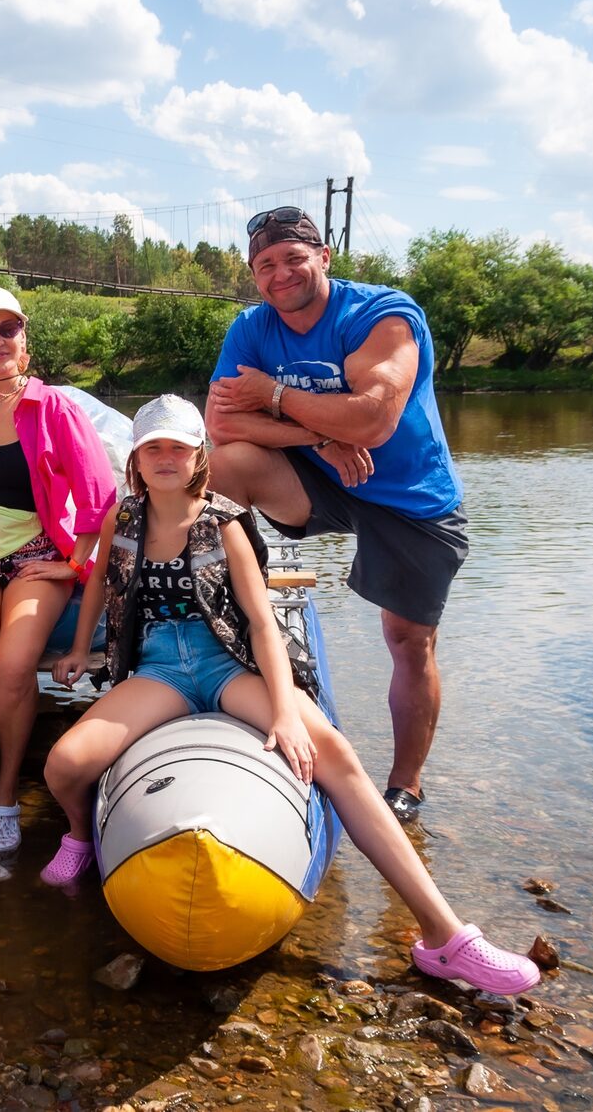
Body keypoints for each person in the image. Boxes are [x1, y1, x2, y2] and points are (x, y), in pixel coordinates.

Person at [44, 396, 538, 996]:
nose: (166, 457)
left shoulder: (223, 521)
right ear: (137, 461)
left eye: (178, 446)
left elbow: (258, 621)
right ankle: (78, 835)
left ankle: (446, 938)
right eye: (154, 448)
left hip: (226, 660)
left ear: (199, 454)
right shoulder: (122, 519)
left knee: (333, 756)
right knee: (65, 765)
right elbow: (99, 579)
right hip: (159, 669)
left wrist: (284, 710)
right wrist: (76, 652)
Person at [205, 207, 465, 824]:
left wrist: (271, 393)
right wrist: (320, 437)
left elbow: (373, 419)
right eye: (264, 265)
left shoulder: (382, 314)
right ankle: (227, 609)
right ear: (253, 276)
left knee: (408, 640)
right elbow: (220, 423)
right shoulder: (251, 327)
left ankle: (406, 784)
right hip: (322, 478)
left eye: (293, 257)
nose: (280, 273)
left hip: (409, 497)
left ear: (323, 257)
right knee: (225, 463)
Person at [0, 287, 118, 881]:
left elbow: (101, 496)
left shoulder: (53, 408)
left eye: (8, 329)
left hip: (36, 553)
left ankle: (5, 797)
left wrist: (74, 564)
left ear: (24, 338)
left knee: (15, 664)